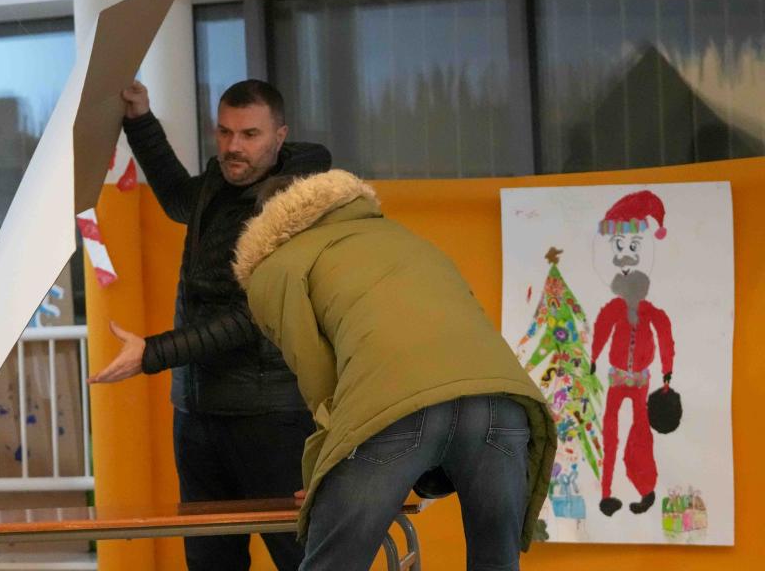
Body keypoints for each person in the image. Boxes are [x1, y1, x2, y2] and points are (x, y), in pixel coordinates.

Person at [232, 170, 556, 571]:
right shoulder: (403, 237)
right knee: (496, 564)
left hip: (393, 406)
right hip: (501, 398)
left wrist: (325, 470)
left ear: (264, 225)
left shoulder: (276, 266)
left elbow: (321, 383)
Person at [88, 79, 331, 571]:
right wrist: (139, 119)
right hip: (198, 415)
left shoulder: (294, 208)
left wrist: (151, 353)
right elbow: (180, 198)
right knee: (209, 560)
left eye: (249, 134)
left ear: (280, 137)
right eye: (224, 133)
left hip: (269, 417)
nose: (233, 147)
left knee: (303, 559)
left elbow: (254, 317)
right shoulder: (219, 184)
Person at [591, 190, 676, 516]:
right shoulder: (613, 309)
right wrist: (595, 357)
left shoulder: (651, 312)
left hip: (640, 381)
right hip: (617, 379)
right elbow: (600, 330)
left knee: (640, 433)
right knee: (610, 434)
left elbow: (665, 335)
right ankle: (607, 492)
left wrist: (667, 371)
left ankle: (645, 488)